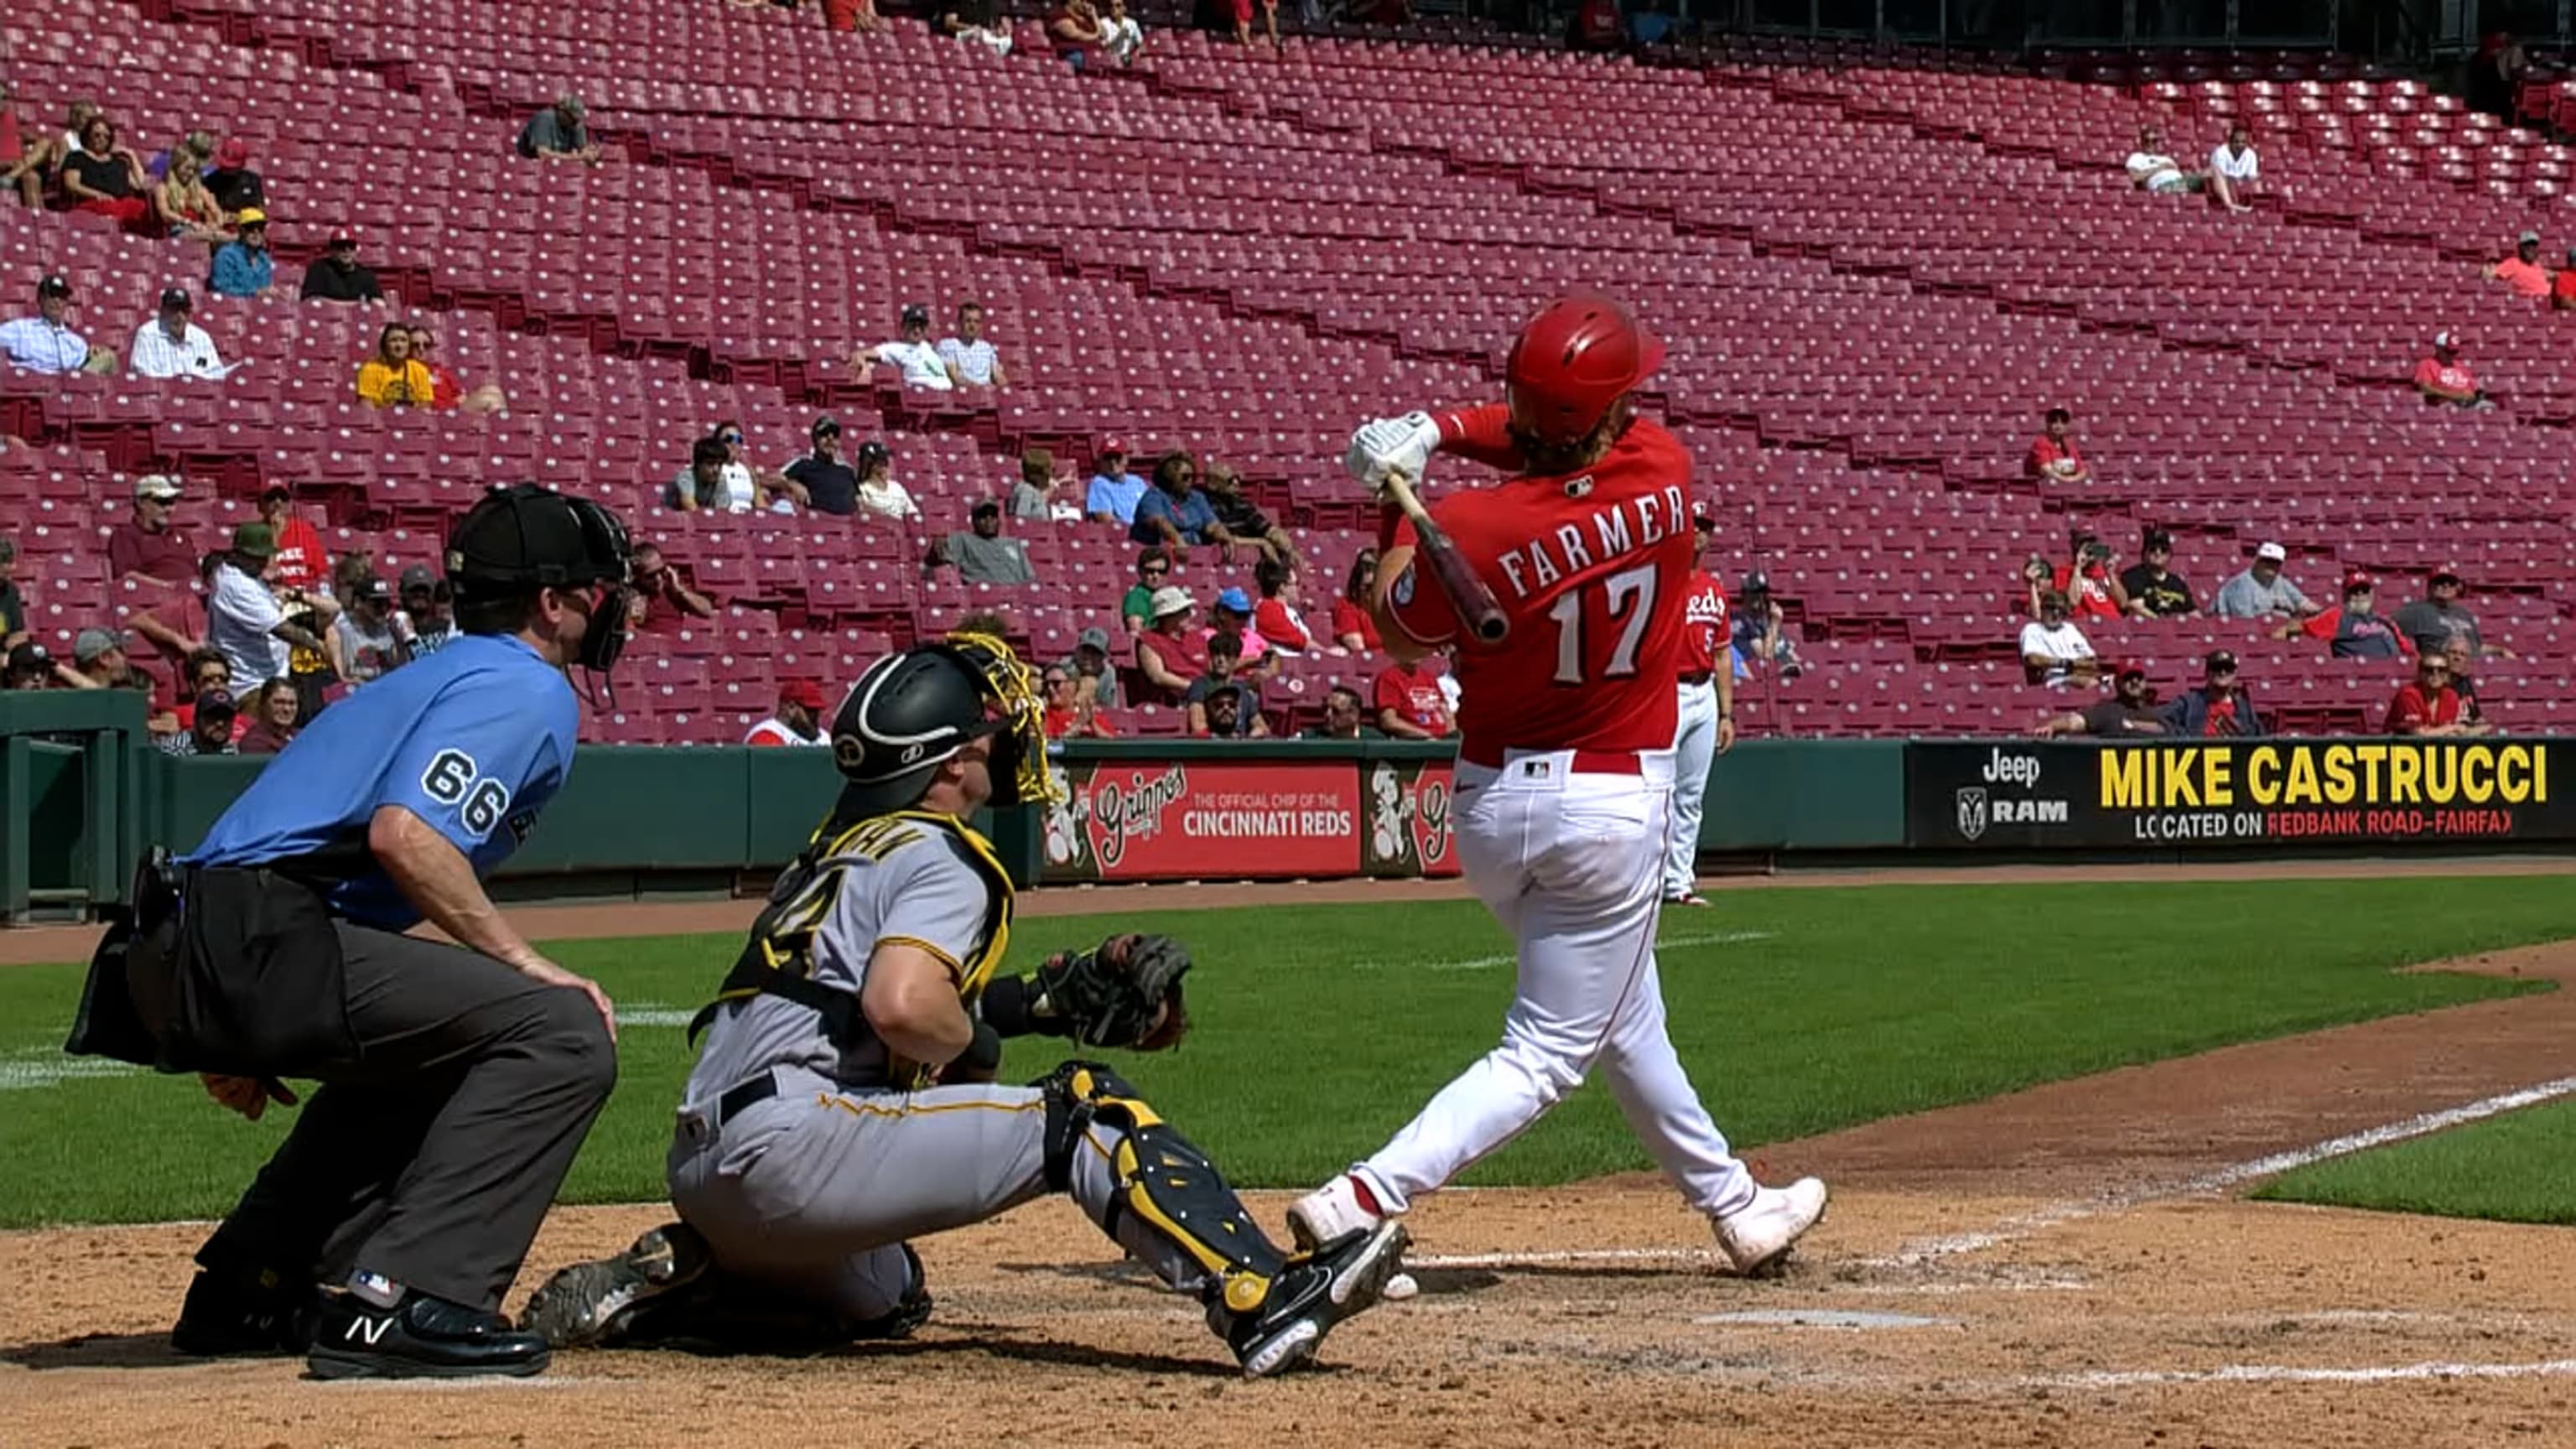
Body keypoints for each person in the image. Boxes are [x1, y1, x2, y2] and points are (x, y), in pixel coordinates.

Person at [517, 634, 1407, 1374]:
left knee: (888, 1288)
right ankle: (1260, 1295)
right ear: (949, 764)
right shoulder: (942, 851)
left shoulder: (836, 851)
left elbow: (853, 1008)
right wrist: (979, 1048)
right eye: (983, 736)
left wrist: (1037, 1003)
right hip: (796, 1148)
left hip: (711, 1162)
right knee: (1085, 1113)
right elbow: (904, 1008)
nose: (999, 743)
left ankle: (687, 1284)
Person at [1296, 294, 1826, 1275]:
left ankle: (1736, 1206)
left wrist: (1402, 482)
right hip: (1613, 802)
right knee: (1546, 1053)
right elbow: (1565, 439)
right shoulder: (1666, 471)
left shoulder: (1472, 526)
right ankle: (1361, 1197)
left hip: (1494, 807)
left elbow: (1401, 631)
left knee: (1627, 1020)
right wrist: (1445, 439)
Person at [67, 484, 631, 1380]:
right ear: (552, 601)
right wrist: (531, 965)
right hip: (253, 933)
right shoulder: (525, 685)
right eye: (599, 589)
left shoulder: (437, 671)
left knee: (445, 1039)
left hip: (195, 930)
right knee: (559, 1031)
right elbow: (406, 835)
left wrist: (228, 1001)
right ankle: (412, 1299)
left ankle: (255, 1284)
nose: (613, 607)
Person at [1665, 512, 1734, 908]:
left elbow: (1722, 654)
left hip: (1703, 691)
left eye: (1706, 526)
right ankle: (1646, 880)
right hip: (1666, 691)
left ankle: (1678, 883)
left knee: (1690, 796)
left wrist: (1727, 714)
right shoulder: (1661, 582)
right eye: (1694, 523)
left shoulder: (1713, 589)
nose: (1700, 532)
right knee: (1657, 791)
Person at [209, 522, 333, 695]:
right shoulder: (235, 584)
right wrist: (316, 645)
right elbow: (282, 630)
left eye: (264, 556)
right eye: (255, 557)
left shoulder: (247, 575)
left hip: (270, 677)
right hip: (252, 685)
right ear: (238, 554)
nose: (262, 562)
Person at [2274, 572, 2410, 661]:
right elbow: (2293, 628)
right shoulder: (2337, 616)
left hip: (2394, 676)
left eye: (2365, 590)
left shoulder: (2385, 621)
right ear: (2345, 596)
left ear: (2372, 594)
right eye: (2354, 591)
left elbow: (2409, 651)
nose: (2360, 595)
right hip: (2361, 679)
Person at [3, 273, 115, 376]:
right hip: (30, 390)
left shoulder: (76, 343)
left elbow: (84, 374)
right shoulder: (20, 329)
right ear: (40, 299)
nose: (57, 301)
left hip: (66, 392)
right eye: (52, 295)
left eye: (62, 297)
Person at [1130, 451, 1237, 559]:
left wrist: (1225, 537)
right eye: (1185, 477)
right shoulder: (1154, 496)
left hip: (1194, 549)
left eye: (1192, 477)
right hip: (1158, 553)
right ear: (1170, 477)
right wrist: (1177, 540)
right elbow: (1159, 521)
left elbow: (1212, 525)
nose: (1189, 481)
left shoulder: (1197, 498)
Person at [2392, 565, 2511, 662]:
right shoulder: (2415, 612)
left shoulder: (2464, 614)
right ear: (2430, 586)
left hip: (2471, 668)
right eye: (2440, 581)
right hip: (2440, 671)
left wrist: (2499, 651)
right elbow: (2390, 629)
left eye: (2451, 582)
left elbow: (2477, 647)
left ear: (2457, 588)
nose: (2446, 585)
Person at [59, 115, 152, 229]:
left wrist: (131, 155)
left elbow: (139, 184)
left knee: (142, 208)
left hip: (122, 204)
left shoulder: (119, 163)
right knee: (110, 209)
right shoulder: (77, 157)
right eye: (97, 135)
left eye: (106, 136)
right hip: (93, 203)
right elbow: (71, 184)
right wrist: (97, 194)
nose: (101, 139)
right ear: (88, 136)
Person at [129, 288, 239, 382]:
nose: (180, 316)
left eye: (184, 310)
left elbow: (213, 371)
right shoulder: (148, 334)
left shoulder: (201, 338)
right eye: (174, 310)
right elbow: (144, 375)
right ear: (162, 311)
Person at [1202, 464, 1294, 568]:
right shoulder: (1204, 506)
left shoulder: (1241, 504)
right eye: (1230, 480)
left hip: (1251, 556)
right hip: (1224, 559)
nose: (1236, 483)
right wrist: (1261, 542)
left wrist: (1287, 547)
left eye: (1236, 478)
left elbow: (1267, 529)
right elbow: (1221, 538)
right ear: (1214, 485)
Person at [2157, 649, 2265, 737]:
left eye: (2228, 669)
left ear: (2235, 674)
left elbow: (2259, 737)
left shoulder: (2245, 709)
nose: (2223, 673)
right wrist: (2183, 735)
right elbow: (2159, 718)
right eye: (2217, 668)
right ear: (2207, 673)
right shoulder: (2189, 703)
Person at [327, 575, 412, 687]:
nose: (383, 609)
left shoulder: (389, 631)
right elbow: (340, 678)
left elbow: (401, 671)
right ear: (358, 602)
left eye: (386, 603)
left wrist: (400, 641)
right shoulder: (341, 630)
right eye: (377, 604)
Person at [2037, 665, 2166, 737]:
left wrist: (2135, 725)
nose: (2134, 682)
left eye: (2139, 678)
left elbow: (2169, 732)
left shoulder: (2156, 712)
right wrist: (2053, 726)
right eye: (2128, 678)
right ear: (2118, 683)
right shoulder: (2107, 710)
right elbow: (2074, 722)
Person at [927, 500, 1035, 585]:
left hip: (1018, 597)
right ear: (974, 521)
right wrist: (936, 547)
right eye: (983, 516)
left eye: (993, 516)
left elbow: (1030, 578)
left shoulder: (1013, 543)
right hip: (986, 596)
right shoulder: (964, 539)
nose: (989, 520)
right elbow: (934, 559)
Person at [1133, 585, 1208, 704]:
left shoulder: (1196, 637)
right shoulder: (1150, 641)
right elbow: (1158, 676)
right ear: (1169, 616)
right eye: (1185, 610)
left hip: (1205, 690)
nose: (1190, 614)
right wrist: (1193, 687)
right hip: (1178, 696)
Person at [408, 325, 508, 415]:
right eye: (416, 345)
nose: (421, 349)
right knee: (490, 400)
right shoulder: (407, 371)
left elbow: (459, 395)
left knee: (493, 389)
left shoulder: (439, 370)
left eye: (426, 345)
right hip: (439, 414)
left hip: (454, 410)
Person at [1251, 556, 1341, 657]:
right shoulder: (1268, 610)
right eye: (1295, 584)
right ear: (1282, 587)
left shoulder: (1281, 609)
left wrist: (1302, 613)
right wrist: (1328, 654)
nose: (1299, 588)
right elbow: (1298, 641)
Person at [854, 304, 954, 391]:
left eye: (921, 326)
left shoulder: (930, 348)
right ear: (903, 326)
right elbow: (859, 354)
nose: (917, 330)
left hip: (947, 394)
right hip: (923, 394)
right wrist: (864, 369)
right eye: (913, 326)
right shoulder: (896, 348)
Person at [1184, 632, 1266, 738]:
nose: (1220, 660)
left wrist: (1249, 737)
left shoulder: (1241, 688)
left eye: (1227, 655)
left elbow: (1261, 726)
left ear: (1237, 659)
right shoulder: (1200, 685)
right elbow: (1198, 727)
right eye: (1216, 654)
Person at [2386, 651, 2485, 738]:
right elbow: (2418, 734)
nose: (2435, 674)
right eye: (2429, 670)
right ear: (2420, 673)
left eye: (2441, 670)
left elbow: (2447, 734)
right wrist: (2453, 728)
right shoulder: (2408, 695)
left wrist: (2448, 730)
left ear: (2447, 674)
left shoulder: (2451, 696)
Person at [2209, 542, 2317, 621]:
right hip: (2236, 635)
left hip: (2275, 632)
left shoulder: (2279, 581)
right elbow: (2244, 623)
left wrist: (2322, 614)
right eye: (2267, 561)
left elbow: (2304, 604)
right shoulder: (2242, 585)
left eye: (2276, 562)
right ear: (2257, 561)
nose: (2271, 565)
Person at [626, 543, 719, 633]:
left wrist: (680, 590)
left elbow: (707, 611)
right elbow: (631, 631)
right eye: (651, 576)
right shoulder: (634, 595)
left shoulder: (671, 587)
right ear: (638, 576)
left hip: (679, 643)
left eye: (661, 571)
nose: (658, 578)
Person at [2017, 590, 2098, 688]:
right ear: (2042, 609)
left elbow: (2091, 660)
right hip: (2055, 679)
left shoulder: (2070, 629)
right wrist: (2066, 663)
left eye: (2060, 609)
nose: (2056, 613)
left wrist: (2075, 665)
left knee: (2114, 682)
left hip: (2082, 674)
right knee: (2091, 684)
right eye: (2051, 608)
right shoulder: (2032, 629)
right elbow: (2032, 659)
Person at [784, 417, 860, 517]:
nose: (830, 438)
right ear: (814, 438)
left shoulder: (847, 470)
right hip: (817, 523)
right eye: (824, 433)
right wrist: (789, 484)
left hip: (847, 525)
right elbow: (766, 481)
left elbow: (859, 501)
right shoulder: (803, 463)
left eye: (835, 434)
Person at [1370, 653, 1453, 739]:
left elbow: (1447, 714)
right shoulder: (1388, 678)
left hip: (1442, 740)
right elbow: (1388, 721)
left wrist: (1452, 736)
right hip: (1415, 741)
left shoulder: (1429, 678)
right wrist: (1426, 736)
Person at [2118, 527, 2195, 617]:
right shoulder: (2133, 576)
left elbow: (2193, 612)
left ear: (2170, 555)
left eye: (2163, 550)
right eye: (2152, 549)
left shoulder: (2178, 583)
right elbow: (2135, 606)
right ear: (2144, 554)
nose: (2158, 553)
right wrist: (2161, 623)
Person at [357, 322, 437, 408]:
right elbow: (366, 405)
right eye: (393, 340)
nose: (399, 345)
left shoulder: (420, 370)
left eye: (403, 340)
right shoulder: (370, 369)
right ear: (384, 345)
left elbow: (425, 405)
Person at [301, 231, 384, 305]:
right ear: (332, 250)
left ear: (356, 250)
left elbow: (380, 304)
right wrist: (355, 305)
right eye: (341, 246)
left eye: (351, 246)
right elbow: (310, 301)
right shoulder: (319, 269)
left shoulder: (366, 275)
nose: (347, 250)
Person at [933, 300, 1005, 386]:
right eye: (968, 321)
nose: (972, 325)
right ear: (960, 322)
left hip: (988, 395)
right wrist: (981, 389)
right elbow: (955, 378)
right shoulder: (948, 345)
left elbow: (999, 377)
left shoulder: (987, 348)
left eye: (976, 321)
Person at [207, 209, 274, 298]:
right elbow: (221, 290)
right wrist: (254, 294)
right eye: (250, 227)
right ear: (241, 230)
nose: (256, 232)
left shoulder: (264, 260)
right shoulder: (226, 256)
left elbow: (266, 289)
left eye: (260, 228)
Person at [2413, 331, 2489, 408]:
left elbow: (2474, 389)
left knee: (2488, 407)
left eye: (2454, 352)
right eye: (2448, 352)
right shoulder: (2426, 364)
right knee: (2451, 408)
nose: (2451, 356)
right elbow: (2425, 388)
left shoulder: (2460, 365)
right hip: (2446, 402)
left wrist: (2471, 395)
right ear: (2438, 348)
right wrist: (2453, 395)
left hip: (2468, 403)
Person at [517, 94, 601, 163]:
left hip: (560, 170)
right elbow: (543, 154)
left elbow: (583, 152)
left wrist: (591, 155)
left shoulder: (576, 125)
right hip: (532, 167)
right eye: (572, 118)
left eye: (577, 120)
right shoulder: (544, 118)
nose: (574, 123)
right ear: (561, 111)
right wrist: (574, 158)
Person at [161, 685, 241, 757]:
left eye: (226, 718)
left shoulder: (231, 751)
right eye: (212, 716)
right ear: (196, 719)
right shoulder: (175, 750)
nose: (220, 723)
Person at [744, 679, 829, 746]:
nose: (815, 716)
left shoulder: (825, 737)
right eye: (810, 711)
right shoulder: (766, 734)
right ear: (790, 707)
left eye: (817, 711)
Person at [1041, 662, 1116, 737]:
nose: (1049, 688)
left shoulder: (1091, 715)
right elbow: (1049, 746)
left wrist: (1093, 725)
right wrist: (1077, 726)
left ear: (1072, 685)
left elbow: (1114, 745)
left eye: (1056, 683)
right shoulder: (1043, 716)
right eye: (1046, 684)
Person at [851, 441, 919, 522]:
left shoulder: (896, 487)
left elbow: (911, 512)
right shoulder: (862, 489)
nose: (885, 464)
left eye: (885, 460)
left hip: (901, 530)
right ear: (869, 463)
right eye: (880, 461)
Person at [1055, 626, 1121, 709]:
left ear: (1104, 657)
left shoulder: (1108, 673)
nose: (1088, 657)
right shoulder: (1063, 667)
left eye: (1095, 653)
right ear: (1077, 650)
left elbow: (1109, 708)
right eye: (1085, 650)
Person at [2123, 125, 2201, 195]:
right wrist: (2159, 168)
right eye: (2147, 140)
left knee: (2208, 176)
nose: (2150, 144)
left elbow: (2179, 174)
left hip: (2180, 182)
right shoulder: (2137, 157)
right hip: (2162, 187)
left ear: (2158, 143)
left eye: (2154, 141)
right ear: (2142, 142)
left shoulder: (2167, 159)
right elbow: (2134, 177)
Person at [397, 566, 457, 657]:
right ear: (402, 593)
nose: (420, 594)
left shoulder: (447, 629)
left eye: (425, 590)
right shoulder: (394, 631)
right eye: (414, 590)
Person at [1009, 447, 1079, 522]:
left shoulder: (1032, 488)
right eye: (1050, 470)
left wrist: (1060, 481)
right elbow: (1020, 521)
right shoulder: (1026, 490)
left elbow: (1038, 501)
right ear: (1039, 474)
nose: (1051, 474)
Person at [235, 677, 304, 754]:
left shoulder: (302, 735)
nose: (286, 709)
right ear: (263, 704)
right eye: (279, 702)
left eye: (292, 703)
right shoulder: (255, 742)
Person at [1331, 548, 1382, 652]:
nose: (1372, 592)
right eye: (1368, 587)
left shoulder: (1392, 610)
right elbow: (1357, 647)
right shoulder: (1347, 607)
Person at [1084, 443, 1148, 526]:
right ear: (1101, 462)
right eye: (1108, 458)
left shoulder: (1137, 482)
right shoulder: (1098, 483)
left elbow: (1152, 509)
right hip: (1122, 534)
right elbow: (1105, 519)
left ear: (1126, 460)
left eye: (1117, 458)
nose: (1113, 463)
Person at [2025, 407, 2090, 484]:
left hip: (2069, 486)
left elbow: (2082, 470)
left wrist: (2072, 479)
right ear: (2047, 423)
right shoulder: (2041, 443)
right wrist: (2067, 480)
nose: (2059, 425)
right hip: (2049, 486)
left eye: (2063, 421)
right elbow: (2047, 470)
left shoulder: (2069, 444)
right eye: (2054, 421)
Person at [2208, 122, 2261, 213]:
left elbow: (2251, 177)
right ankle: (2230, 205)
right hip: (2218, 181)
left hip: (2238, 184)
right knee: (2215, 171)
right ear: (2230, 142)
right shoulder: (2220, 152)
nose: (2240, 145)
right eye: (2237, 142)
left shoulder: (2251, 154)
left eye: (2243, 142)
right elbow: (2221, 173)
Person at [203, 137, 265, 213]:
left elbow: (259, 209)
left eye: (231, 168)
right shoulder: (210, 180)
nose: (227, 170)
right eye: (225, 167)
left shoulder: (252, 181)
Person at [2483, 231, 2551, 301]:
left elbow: (2546, 274)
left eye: (2534, 245)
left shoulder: (2537, 265)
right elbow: (2490, 274)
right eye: (2527, 245)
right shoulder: (2513, 263)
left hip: (2547, 301)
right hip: (2529, 303)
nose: (2531, 248)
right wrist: (2486, 270)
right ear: (2520, 247)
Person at [1119, 548, 1173, 636]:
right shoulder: (1136, 596)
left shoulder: (1166, 594)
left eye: (1161, 572)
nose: (1156, 576)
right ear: (1140, 571)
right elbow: (1136, 631)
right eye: (1150, 571)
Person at [1301, 684, 1380, 740]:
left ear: (1354, 714)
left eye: (1335, 711)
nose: (1328, 714)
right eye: (1325, 709)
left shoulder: (1375, 739)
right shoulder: (1309, 737)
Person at [939, 0, 1015, 52]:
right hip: (963, 34)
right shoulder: (957, 2)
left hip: (985, 34)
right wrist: (970, 28)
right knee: (976, 34)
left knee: (1007, 40)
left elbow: (998, 24)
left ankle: (996, 62)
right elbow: (949, 23)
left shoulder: (989, 3)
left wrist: (1000, 31)